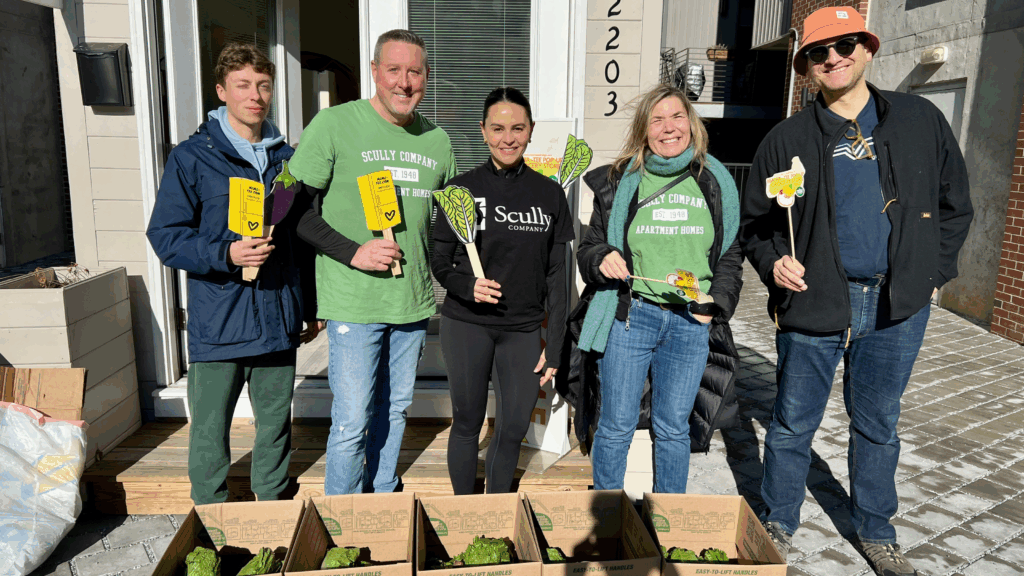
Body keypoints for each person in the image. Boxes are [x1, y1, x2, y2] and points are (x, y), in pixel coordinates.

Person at [739, 8, 973, 575]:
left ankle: (876, 529)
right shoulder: (787, 137)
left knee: (878, 424)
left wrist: (929, 274)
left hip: (896, 306)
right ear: (807, 68)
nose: (833, 58)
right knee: (794, 421)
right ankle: (780, 518)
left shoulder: (918, 120)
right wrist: (774, 264)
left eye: (845, 45)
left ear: (867, 49)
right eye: (819, 52)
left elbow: (954, 206)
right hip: (815, 300)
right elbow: (755, 226)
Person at [146, 43, 318, 505]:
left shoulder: (288, 161)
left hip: (279, 314)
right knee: (209, 429)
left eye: (264, 85)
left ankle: (272, 500)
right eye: (243, 85)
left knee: (276, 423)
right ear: (222, 91)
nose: (255, 95)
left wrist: (310, 307)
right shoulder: (192, 157)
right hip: (220, 318)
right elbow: (165, 235)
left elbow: (302, 241)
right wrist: (227, 253)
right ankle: (211, 512)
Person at [289, 29, 457, 495]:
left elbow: (447, 223)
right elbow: (297, 213)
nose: (405, 82)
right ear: (375, 73)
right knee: (351, 419)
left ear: (426, 77)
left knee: (396, 409)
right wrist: (355, 251)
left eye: (415, 72)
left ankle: (383, 496)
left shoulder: (438, 140)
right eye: (394, 70)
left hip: (413, 301)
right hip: (353, 301)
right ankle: (340, 517)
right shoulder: (334, 124)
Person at [575, 84, 743, 493]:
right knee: (615, 425)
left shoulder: (715, 182)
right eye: (657, 120)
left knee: (672, 429)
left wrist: (716, 303)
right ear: (643, 130)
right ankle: (610, 523)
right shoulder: (620, 182)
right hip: (632, 317)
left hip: (690, 321)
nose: (669, 128)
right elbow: (589, 248)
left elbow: (729, 255)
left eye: (677, 117)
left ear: (692, 123)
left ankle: (666, 526)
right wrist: (600, 258)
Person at [431, 87, 574, 494]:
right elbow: (439, 260)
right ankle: (464, 510)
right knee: (467, 421)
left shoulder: (549, 194)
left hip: (524, 330)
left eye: (517, 128)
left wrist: (557, 343)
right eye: (497, 128)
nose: (507, 138)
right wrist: (466, 285)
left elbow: (557, 276)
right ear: (482, 131)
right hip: (467, 325)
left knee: (512, 427)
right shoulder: (460, 190)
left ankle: (495, 512)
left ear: (530, 132)